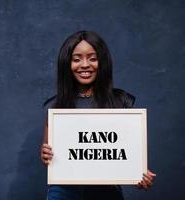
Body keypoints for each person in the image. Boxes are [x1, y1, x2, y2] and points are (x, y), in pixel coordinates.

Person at [40, 30, 156, 200]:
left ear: (102, 63)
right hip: (64, 192)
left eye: (92, 58)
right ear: (67, 63)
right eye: (77, 59)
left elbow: (128, 153)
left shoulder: (120, 101)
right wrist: (45, 155)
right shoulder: (55, 106)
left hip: (106, 192)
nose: (85, 64)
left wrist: (139, 173)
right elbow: (48, 155)